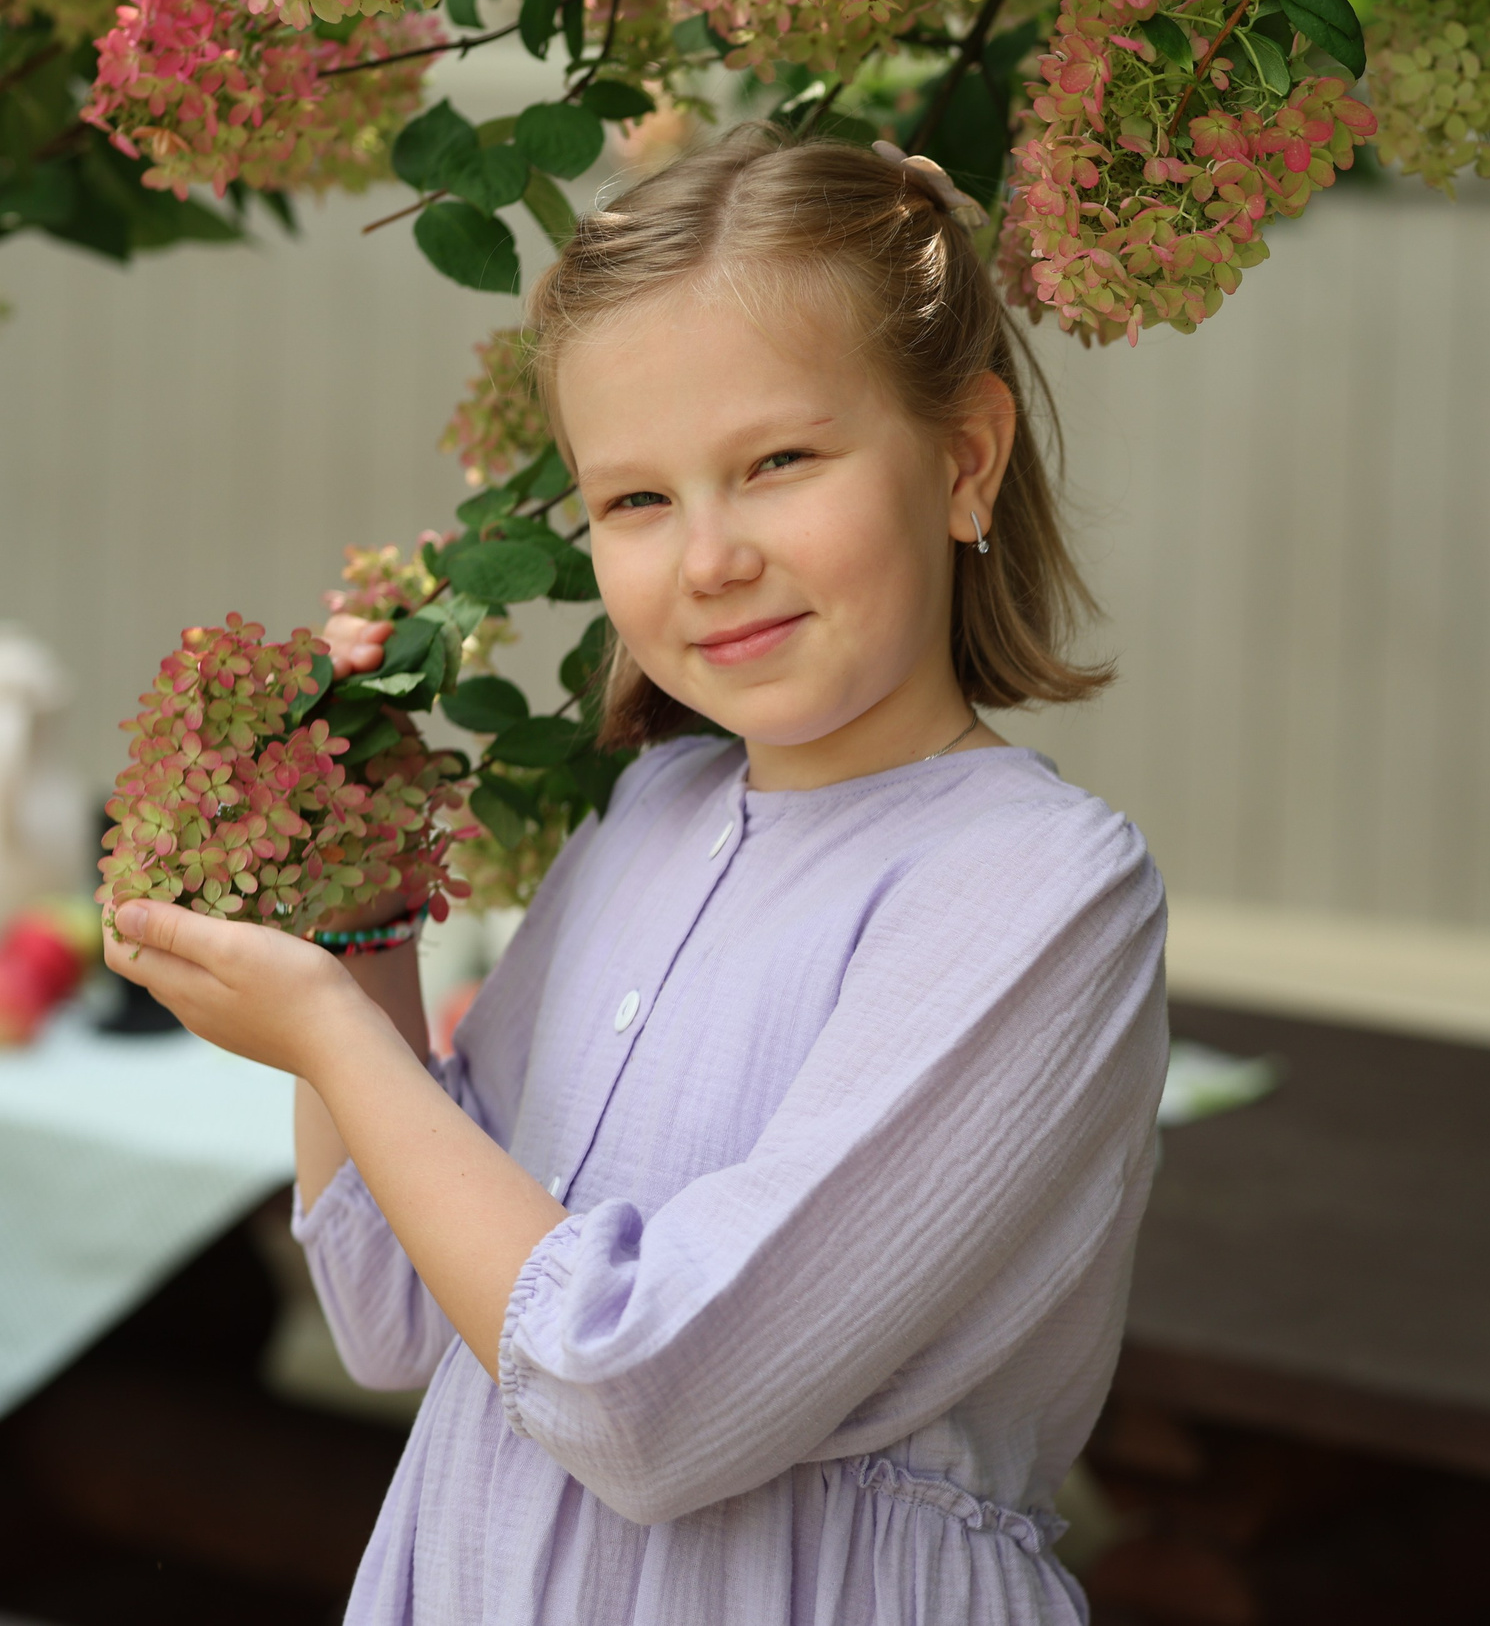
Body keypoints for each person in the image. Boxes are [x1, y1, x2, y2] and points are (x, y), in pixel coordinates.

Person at [103, 126, 1170, 1624]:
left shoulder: (1037, 890)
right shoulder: (649, 813)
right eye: (637, 501)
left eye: (778, 462)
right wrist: (357, 917)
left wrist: (328, 1037)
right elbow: (403, 1314)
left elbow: (650, 1409)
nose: (710, 556)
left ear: (964, 459)